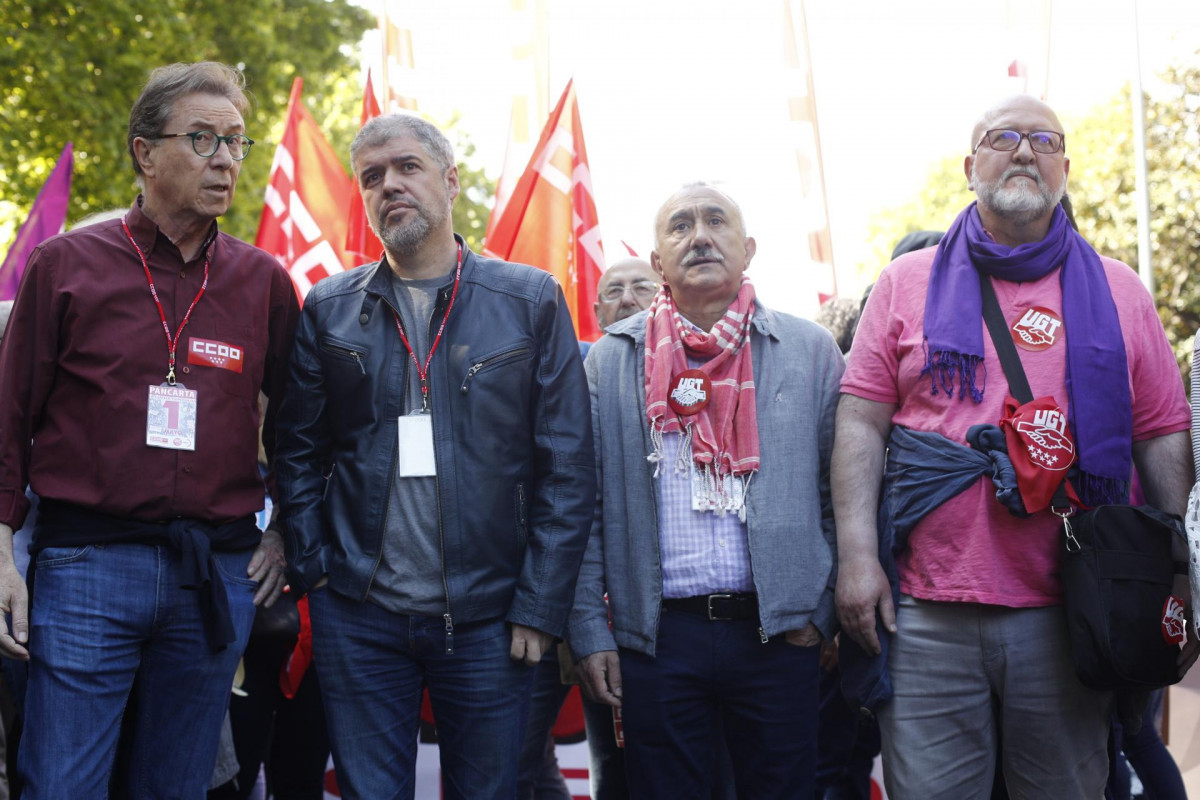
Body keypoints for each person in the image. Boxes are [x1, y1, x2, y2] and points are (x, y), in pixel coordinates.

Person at [833, 95, 1195, 799]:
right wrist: (854, 558)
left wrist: (1183, 576)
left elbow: (1160, 433)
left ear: (1065, 168)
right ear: (971, 167)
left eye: (1044, 141)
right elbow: (859, 422)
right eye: (1003, 138)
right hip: (926, 614)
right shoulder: (905, 283)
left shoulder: (1121, 291)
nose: (1025, 152)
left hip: (1069, 612)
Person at [274, 113, 595, 800]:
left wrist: (539, 608)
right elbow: (296, 451)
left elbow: (566, 470)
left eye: (406, 167)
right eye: (372, 177)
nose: (389, 184)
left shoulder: (530, 301)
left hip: (492, 617)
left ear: (450, 181)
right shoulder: (329, 309)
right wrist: (318, 576)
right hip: (358, 614)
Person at [0, 61, 299, 797]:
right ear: (144, 151)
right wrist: (1, 552)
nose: (226, 159)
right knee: (62, 784)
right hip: (85, 570)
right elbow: (6, 417)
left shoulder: (262, 282)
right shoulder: (65, 265)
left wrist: (286, 528)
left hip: (214, 577)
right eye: (203, 140)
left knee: (177, 786)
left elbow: (301, 428)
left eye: (236, 142)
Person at [569, 182, 844, 798]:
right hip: (658, 639)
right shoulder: (610, 361)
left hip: (779, 633)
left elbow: (840, 491)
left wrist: (822, 612)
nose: (699, 236)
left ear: (747, 250)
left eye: (715, 222)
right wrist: (589, 629)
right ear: (658, 261)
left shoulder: (809, 350)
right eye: (680, 226)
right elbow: (581, 509)